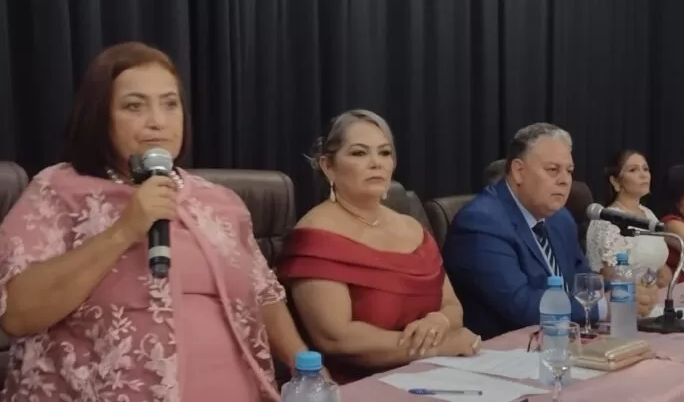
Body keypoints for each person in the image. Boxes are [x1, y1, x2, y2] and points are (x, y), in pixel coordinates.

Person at [0, 42, 309, 402]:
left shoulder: (221, 201)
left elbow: (264, 296)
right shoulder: (57, 190)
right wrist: (123, 231)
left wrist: (310, 372)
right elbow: (17, 314)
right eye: (134, 106)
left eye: (170, 104)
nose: (157, 121)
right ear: (100, 116)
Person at [278, 110, 481, 384]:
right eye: (359, 153)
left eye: (385, 153)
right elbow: (337, 339)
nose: (376, 163)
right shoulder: (314, 236)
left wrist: (439, 322)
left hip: (436, 378)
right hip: (357, 387)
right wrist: (436, 347)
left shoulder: (413, 228)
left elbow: (452, 306)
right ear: (328, 166)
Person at [442, 123, 658, 340]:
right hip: (506, 348)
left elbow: (582, 281)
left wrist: (623, 292)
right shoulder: (481, 222)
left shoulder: (560, 219)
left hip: (562, 340)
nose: (565, 180)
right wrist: (603, 306)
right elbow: (520, 305)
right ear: (519, 171)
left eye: (569, 171)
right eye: (553, 170)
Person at [585, 150, 671, 288]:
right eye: (633, 170)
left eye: (645, 169)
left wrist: (664, 274)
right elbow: (608, 278)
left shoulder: (648, 213)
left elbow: (659, 263)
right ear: (615, 181)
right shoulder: (606, 220)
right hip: (625, 297)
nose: (643, 175)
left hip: (656, 293)